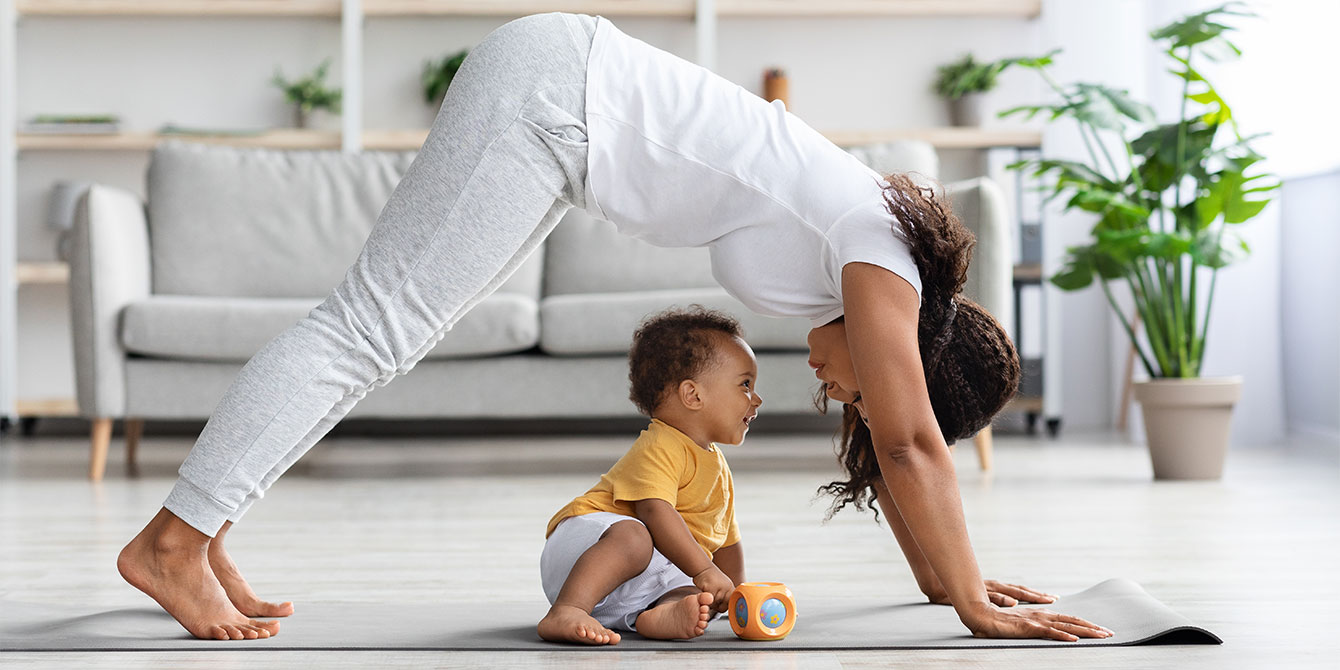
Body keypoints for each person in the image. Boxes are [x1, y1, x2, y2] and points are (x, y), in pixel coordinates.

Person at [117, 12, 1112, 642]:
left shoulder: (866, 276)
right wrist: (980, 609)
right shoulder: (880, 260)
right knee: (368, 330)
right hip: (554, 101)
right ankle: (172, 540)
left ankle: (202, 535)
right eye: (854, 385)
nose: (832, 391)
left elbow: (890, 449)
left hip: (563, 121)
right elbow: (906, 441)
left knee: (386, 337)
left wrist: (951, 582)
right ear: (913, 356)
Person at [536, 307, 760, 645]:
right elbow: (655, 511)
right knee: (637, 536)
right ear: (693, 395)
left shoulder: (716, 465)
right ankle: (567, 609)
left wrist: (738, 597)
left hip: (625, 585)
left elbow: (726, 539)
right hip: (584, 552)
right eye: (745, 384)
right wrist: (705, 570)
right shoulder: (661, 445)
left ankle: (658, 615)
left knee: (693, 594)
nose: (757, 400)